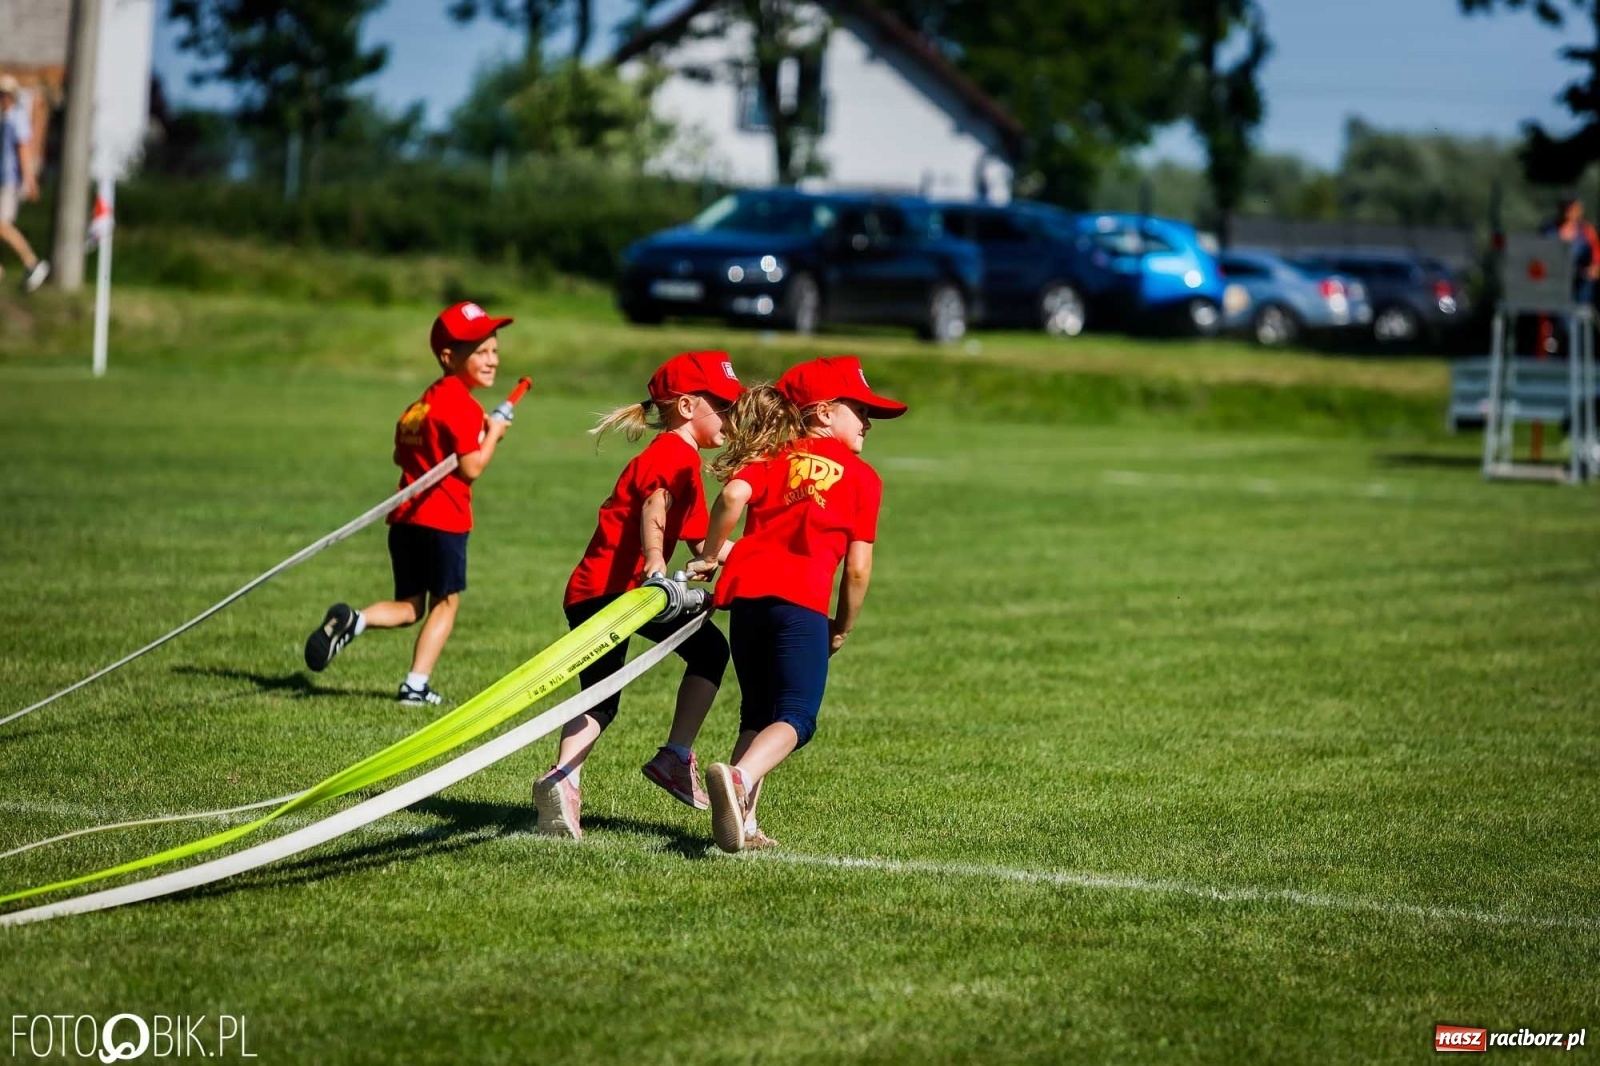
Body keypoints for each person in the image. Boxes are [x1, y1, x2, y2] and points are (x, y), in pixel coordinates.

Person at [687, 356, 906, 853]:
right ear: (825, 412)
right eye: (860, 409)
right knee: (797, 717)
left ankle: (745, 824)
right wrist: (843, 627)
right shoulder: (862, 478)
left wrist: (707, 552)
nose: (868, 421)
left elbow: (733, 495)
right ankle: (738, 779)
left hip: (745, 602)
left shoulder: (772, 456)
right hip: (800, 603)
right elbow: (857, 569)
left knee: (757, 712)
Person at [532, 351, 745, 840]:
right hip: (625, 591)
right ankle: (675, 755)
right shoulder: (675, 453)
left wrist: (759, 559)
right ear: (688, 406)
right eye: (724, 405)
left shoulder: (685, 460)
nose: (732, 418)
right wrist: (654, 565)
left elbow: (702, 543)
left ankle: (562, 779)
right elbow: (656, 503)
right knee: (711, 651)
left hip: (595, 589)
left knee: (601, 697)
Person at [303, 301, 517, 706]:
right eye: (480, 352)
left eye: (494, 350)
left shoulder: (418, 407)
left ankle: (357, 619)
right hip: (445, 520)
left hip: (406, 522)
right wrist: (494, 433)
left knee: (409, 606)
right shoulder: (464, 406)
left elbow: (401, 457)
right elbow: (471, 468)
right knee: (446, 603)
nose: (492, 360)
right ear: (449, 357)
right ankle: (415, 686)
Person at [0, 75, 49, 293]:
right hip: (3, 179)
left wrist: (30, 179)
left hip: (8, 180)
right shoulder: (7, 118)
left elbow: (23, 149)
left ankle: (32, 262)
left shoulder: (16, 118)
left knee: (1, 225)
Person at [1546, 195, 1600, 306]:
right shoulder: (1549, 230)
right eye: (1567, 208)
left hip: (1579, 281)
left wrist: (1593, 269)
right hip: (1553, 279)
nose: (1570, 211)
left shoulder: (1587, 231)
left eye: (1573, 208)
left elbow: (1596, 259)